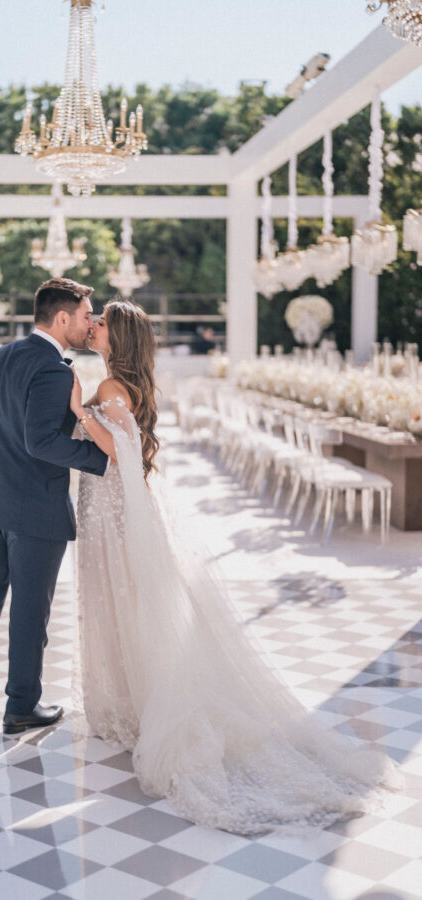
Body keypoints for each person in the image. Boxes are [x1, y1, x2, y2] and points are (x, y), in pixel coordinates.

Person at [71, 298, 401, 835]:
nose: (95, 327)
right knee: (128, 602)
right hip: (118, 508)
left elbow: (118, 452)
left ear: (119, 336)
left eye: (102, 322)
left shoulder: (109, 390)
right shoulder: (127, 386)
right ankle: (129, 702)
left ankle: (131, 707)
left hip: (115, 508)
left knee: (121, 601)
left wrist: (79, 412)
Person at [0, 277, 108, 735]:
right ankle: (21, 707)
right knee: (30, 610)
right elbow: (42, 443)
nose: (89, 323)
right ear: (61, 318)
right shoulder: (55, 369)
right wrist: (105, 460)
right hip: (34, 509)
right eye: (85, 315)